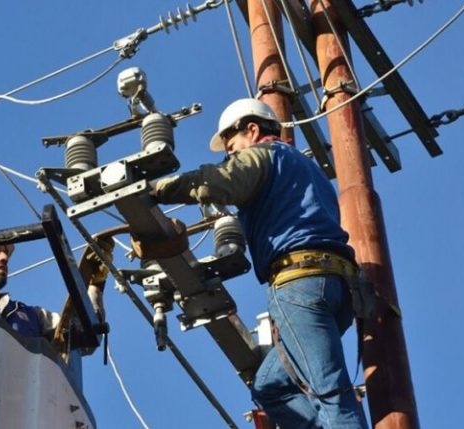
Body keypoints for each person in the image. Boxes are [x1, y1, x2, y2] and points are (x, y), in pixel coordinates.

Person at [150, 99, 368, 428]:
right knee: (271, 386)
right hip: (338, 289)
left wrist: (158, 190)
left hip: (299, 284)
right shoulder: (307, 169)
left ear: (252, 130)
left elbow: (219, 181)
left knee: (330, 392)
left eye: (232, 146)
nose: (230, 155)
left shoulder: (264, 156)